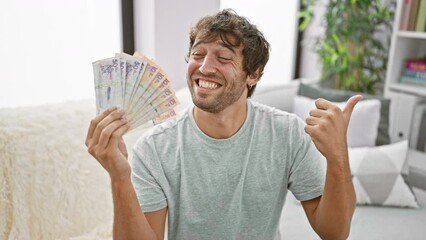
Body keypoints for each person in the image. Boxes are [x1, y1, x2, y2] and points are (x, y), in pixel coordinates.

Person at [85, 8, 359, 240]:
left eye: (223, 58)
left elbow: (333, 232)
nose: (204, 67)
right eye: (197, 54)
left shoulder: (287, 133)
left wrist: (338, 157)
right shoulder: (155, 147)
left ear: (253, 74)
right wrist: (120, 179)